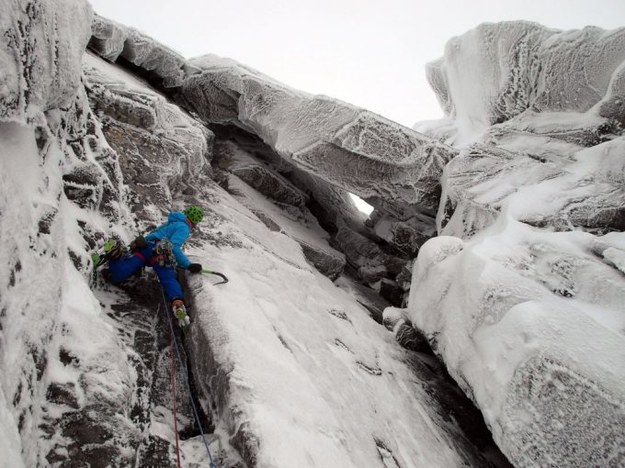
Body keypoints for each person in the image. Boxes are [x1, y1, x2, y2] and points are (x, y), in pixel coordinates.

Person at [95, 206, 205, 327]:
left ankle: (115, 257)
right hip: (159, 255)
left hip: (145, 248)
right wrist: (188, 264)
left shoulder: (173, 221)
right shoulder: (184, 227)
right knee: (168, 278)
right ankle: (177, 302)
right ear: (194, 222)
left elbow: (155, 234)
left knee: (121, 273)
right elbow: (174, 246)